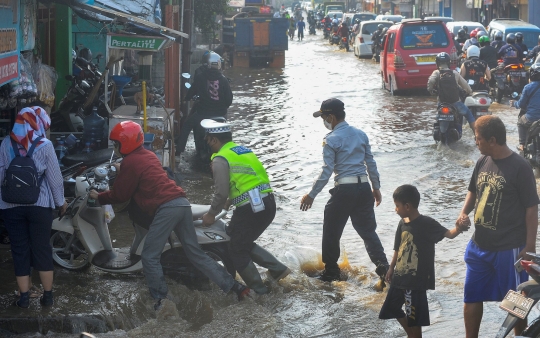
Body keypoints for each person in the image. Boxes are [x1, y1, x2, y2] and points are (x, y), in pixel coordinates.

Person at [90, 121, 251, 310]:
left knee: (150, 256)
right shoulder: (148, 155)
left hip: (166, 209)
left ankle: (161, 301)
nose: (115, 148)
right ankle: (236, 287)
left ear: (124, 144)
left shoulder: (130, 162)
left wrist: (98, 197)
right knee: (195, 253)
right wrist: (121, 168)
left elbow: (120, 195)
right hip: (182, 203)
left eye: (116, 144)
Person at [456, 115, 538, 338]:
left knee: (516, 304)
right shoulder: (483, 161)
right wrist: (464, 213)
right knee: (471, 296)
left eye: (478, 138)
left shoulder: (520, 167)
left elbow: (532, 209)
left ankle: (520, 336)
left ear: (492, 140)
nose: (476, 142)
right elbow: (473, 190)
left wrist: (529, 246)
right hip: (479, 245)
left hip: (509, 248)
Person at [300, 98, 389, 282]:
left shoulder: (331, 139)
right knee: (368, 233)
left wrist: (311, 195)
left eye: (324, 117)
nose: (323, 121)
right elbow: (370, 163)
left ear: (331, 117)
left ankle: (331, 271)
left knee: (331, 230)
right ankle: (386, 272)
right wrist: (376, 188)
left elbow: (326, 171)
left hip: (345, 190)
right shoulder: (361, 134)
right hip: (364, 189)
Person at [200, 119, 290, 294]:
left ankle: (259, 290)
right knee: (238, 239)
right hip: (268, 203)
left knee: (236, 249)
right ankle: (278, 270)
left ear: (214, 140)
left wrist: (211, 214)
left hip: (251, 208)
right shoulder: (242, 150)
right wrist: (228, 203)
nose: (206, 143)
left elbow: (221, 192)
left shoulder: (220, 158)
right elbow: (245, 182)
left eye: (207, 139)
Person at [379, 185, 469, 338]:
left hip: (415, 281)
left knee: (414, 317)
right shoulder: (402, 223)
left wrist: (459, 227)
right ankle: (412, 335)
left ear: (407, 206)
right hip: (399, 278)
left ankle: (414, 336)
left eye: (397, 206)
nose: (395, 209)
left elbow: (449, 234)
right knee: (392, 308)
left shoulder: (426, 223)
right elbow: (397, 248)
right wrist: (391, 268)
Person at [0, 106, 67, 308]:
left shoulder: (5, 144)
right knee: (42, 249)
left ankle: (24, 298)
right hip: (39, 205)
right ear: (40, 123)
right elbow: (55, 179)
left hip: (11, 206)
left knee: (19, 250)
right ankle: (48, 296)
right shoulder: (45, 145)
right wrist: (60, 202)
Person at [175, 52, 232, 156]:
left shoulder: (200, 77)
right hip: (221, 114)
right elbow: (229, 101)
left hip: (203, 114)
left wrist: (186, 98)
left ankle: (178, 153)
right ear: (218, 64)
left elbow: (191, 92)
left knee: (187, 126)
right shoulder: (223, 80)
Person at [427, 52, 476, 131]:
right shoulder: (455, 73)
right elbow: (465, 85)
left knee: (437, 117)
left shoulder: (436, 72)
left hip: (442, 103)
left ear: (437, 63)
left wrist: (431, 90)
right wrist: (470, 92)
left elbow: (431, 81)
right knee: (469, 115)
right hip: (455, 103)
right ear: (448, 62)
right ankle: (477, 136)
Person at [510, 63, 540, 151]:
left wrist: (514, 104)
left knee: (520, 122)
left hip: (531, 118)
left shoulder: (528, 87)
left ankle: (522, 145)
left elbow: (521, 104)